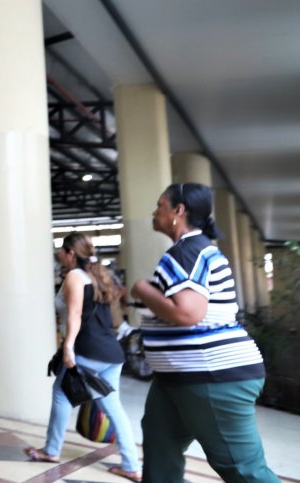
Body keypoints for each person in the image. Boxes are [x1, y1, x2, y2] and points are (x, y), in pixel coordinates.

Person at [131, 182, 277, 483]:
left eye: (160, 206)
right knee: (160, 450)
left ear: (178, 211)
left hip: (211, 376)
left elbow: (188, 313)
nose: (154, 212)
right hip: (177, 378)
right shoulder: (194, 251)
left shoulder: (186, 252)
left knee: (242, 469)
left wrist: (142, 289)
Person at [25, 232, 141, 481]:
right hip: (111, 352)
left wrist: (68, 347)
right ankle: (131, 465)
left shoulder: (75, 276)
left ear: (70, 253)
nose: (58, 254)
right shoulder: (100, 275)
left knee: (61, 394)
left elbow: (75, 314)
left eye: (61, 250)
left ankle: (51, 451)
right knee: (113, 406)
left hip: (88, 351)